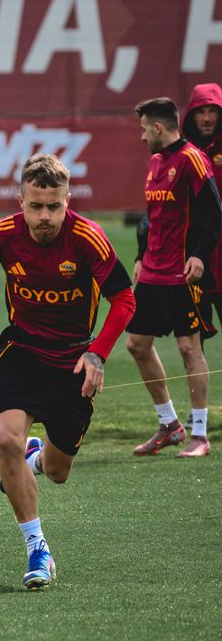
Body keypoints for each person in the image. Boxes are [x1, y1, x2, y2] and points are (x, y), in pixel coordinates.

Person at [0, 153, 135, 590]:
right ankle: (37, 548)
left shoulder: (89, 239)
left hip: (73, 360)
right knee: (6, 438)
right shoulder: (0, 235)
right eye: (36, 205)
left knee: (59, 471)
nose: (45, 216)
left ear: (68, 202)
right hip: (20, 352)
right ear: (21, 200)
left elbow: (124, 300)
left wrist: (98, 354)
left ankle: (37, 458)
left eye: (54, 206)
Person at [124, 97, 222, 458]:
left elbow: (214, 214)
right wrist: (139, 255)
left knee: (188, 348)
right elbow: (151, 218)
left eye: (144, 129)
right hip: (152, 271)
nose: (142, 136)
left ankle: (200, 435)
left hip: (183, 272)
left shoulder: (193, 161)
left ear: (159, 127)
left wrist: (198, 255)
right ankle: (169, 425)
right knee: (137, 344)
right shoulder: (154, 162)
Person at [182, 84, 222, 330]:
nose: (206, 118)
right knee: (194, 340)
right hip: (197, 257)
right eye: (200, 111)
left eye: (212, 111)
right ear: (191, 115)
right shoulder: (184, 151)